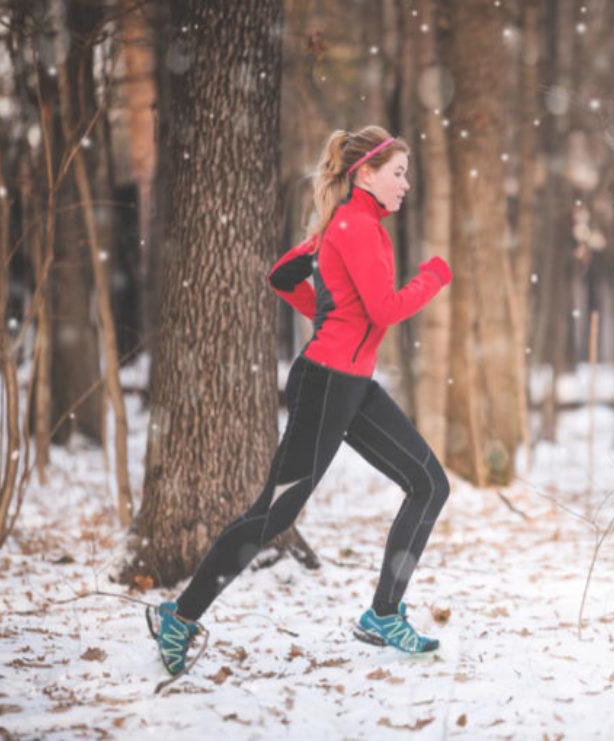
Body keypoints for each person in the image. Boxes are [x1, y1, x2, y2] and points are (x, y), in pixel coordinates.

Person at [148, 125, 453, 675]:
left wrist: (326, 306)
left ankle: (383, 614)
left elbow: (284, 274)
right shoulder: (356, 226)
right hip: (326, 385)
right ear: (366, 173)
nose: (406, 185)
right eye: (399, 173)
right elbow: (383, 310)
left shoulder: (354, 226)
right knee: (274, 512)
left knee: (430, 484)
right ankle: (180, 615)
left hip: (353, 383)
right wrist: (431, 278)